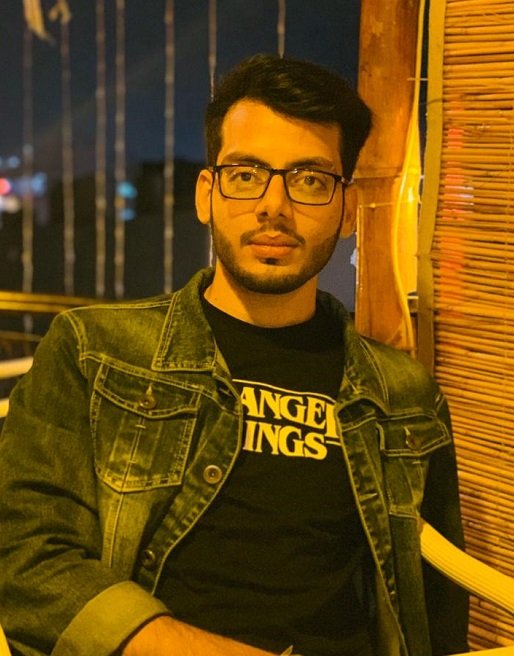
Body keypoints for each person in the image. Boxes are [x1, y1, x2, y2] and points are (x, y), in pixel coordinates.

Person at [0, 54, 468, 656]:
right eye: (246, 174)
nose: (274, 205)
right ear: (207, 194)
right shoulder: (95, 353)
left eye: (310, 179)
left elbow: (437, 613)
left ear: (348, 210)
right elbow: (28, 560)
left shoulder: (404, 396)